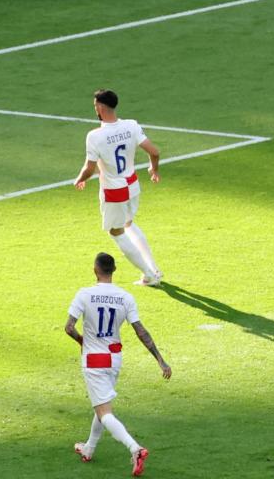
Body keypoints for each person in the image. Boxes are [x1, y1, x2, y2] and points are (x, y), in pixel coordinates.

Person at [65, 252, 171, 477]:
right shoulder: (125, 297)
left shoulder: (85, 295)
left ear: (95, 270)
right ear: (114, 270)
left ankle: (135, 449)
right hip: (114, 359)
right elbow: (140, 331)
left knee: (104, 412)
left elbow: (69, 328)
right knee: (102, 405)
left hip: (94, 360)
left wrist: (82, 341)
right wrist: (160, 360)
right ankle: (89, 448)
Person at [74, 89, 163, 286]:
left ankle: (149, 274)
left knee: (116, 232)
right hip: (132, 185)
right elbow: (154, 152)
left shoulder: (95, 136)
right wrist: (153, 169)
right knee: (129, 224)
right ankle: (154, 268)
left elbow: (89, 168)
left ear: (100, 107)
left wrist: (80, 179)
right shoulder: (131, 125)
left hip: (114, 191)